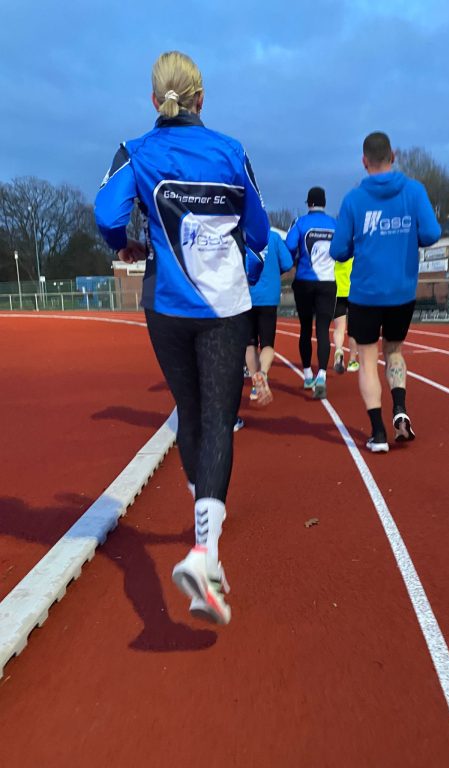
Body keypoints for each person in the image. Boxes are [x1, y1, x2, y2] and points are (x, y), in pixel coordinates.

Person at [95, 51, 269, 624]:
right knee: (218, 421)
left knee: (190, 416)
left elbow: (106, 214)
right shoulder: (230, 149)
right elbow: (261, 231)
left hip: (165, 306)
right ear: (201, 98)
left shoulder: (136, 150)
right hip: (222, 308)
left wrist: (126, 243)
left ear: (154, 101)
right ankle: (204, 552)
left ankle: (203, 510)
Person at [330, 131, 441, 452]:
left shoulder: (353, 200)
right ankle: (401, 410)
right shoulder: (414, 192)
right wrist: (405, 238)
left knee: (366, 360)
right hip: (401, 293)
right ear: (393, 155)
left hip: (365, 294)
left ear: (363, 161)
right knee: (394, 351)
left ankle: (378, 433)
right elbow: (432, 232)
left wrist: (360, 241)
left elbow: (338, 251)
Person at [286, 187, 337, 399]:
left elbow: (288, 247)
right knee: (323, 329)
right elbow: (344, 250)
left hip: (305, 282)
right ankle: (322, 375)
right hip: (327, 283)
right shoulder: (335, 224)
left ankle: (307, 375)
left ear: (309, 203)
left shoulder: (300, 223)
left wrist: (298, 260)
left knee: (305, 328)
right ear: (324, 202)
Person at [245, 229, 294, 403]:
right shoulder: (273, 238)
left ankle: (254, 385)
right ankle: (263, 373)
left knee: (250, 343)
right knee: (267, 344)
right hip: (268, 297)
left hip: (247, 297)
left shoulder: (243, 236)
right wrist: (274, 270)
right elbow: (288, 263)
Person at [332, 257, 359, 373]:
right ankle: (352, 361)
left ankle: (339, 350)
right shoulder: (355, 251)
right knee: (354, 329)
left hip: (337, 291)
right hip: (354, 291)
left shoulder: (337, 252)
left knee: (339, 328)